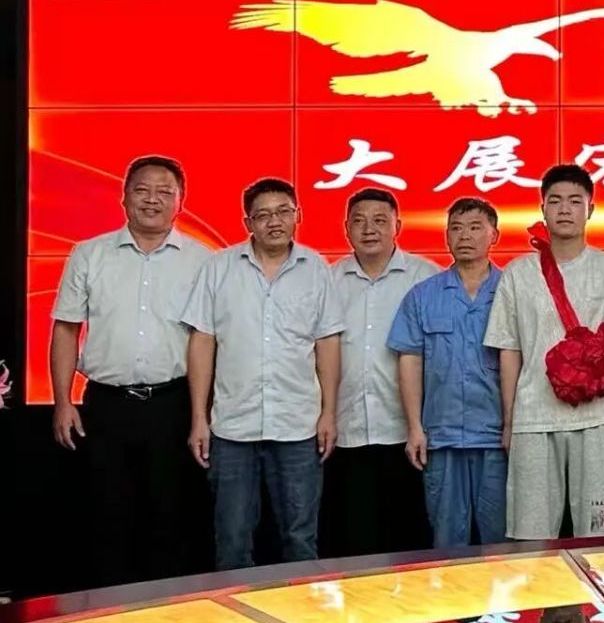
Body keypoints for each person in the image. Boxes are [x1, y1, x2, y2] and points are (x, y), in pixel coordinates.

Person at [49, 155, 213, 586]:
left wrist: (201, 415)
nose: (152, 200)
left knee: (171, 518)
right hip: (106, 406)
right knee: (107, 517)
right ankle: (109, 615)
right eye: (142, 190)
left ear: (180, 201)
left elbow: (206, 338)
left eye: (164, 192)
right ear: (123, 197)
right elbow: (66, 328)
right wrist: (62, 401)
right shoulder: (90, 254)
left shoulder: (202, 260)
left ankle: (167, 616)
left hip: (173, 404)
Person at [183, 178, 342, 570]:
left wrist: (328, 413)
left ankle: (301, 609)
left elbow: (327, 343)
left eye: (284, 212)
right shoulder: (219, 267)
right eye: (263, 215)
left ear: (298, 215)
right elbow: (202, 341)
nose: (275, 221)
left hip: (298, 425)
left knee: (300, 539)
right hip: (233, 427)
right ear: (247, 222)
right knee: (232, 539)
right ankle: (234, 610)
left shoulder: (316, 269)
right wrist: (199, 417)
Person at [486, 165, 604, 541]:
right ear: (543, 209)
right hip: (534, 416)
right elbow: (509, 351)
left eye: (574, 201)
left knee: (599, 530)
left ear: (591, 209)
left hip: (599, 417)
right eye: (555, 201)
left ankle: (596, 584)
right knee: (531, 531)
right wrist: (510, 421)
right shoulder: (518, 274)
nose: (565, 209)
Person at [322, 188, 439, 559]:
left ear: (397, 226)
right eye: (359, 221)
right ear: (346, 228)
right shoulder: (328, 280)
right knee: (354, 543)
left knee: (410, 543)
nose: (368, 229)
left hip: (407, 433)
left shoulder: (425, 278)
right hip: (346, 430)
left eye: (379, 220)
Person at [388, 197, 507, 548]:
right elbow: (409, 361)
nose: (464, 235)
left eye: (475, 227)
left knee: (501, 542)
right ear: (446, 236)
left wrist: (515, 426)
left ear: (494, 235)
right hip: (441, 436)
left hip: (498, 438)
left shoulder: (512, 292)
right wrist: (414, 428)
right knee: (446, 542)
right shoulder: (422, 296)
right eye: (456, 228)